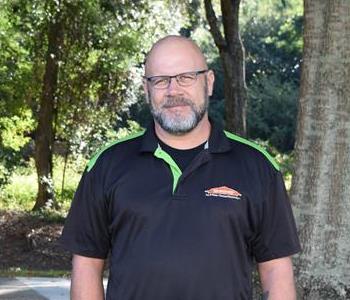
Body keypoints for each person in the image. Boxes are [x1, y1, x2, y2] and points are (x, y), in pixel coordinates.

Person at [60, 35, 301, 300]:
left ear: (208, 82)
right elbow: (86, 265)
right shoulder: (106, 165)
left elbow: (276, 271)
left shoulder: (257, 166)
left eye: (186, 77)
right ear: (146, 89)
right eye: (161, 80)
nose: (174, 91)